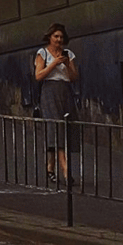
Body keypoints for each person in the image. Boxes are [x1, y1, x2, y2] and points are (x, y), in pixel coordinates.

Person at [33, 23, 79, 186]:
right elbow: (38, 75)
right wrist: (54, 63)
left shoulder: (69, 54)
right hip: (50, 91)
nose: (59, 40)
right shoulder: (42, 53)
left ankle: (50, 167)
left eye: (61, 37)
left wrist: (66, 64)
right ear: (50, 37)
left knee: (64, 127)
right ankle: (66, 170)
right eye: (56, 36)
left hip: (65, 91)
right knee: (55, 127)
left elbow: (73, 77)